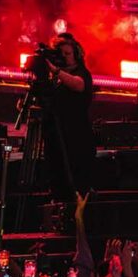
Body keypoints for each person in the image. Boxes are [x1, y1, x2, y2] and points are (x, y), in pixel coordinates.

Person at [42, 33, 95, 203]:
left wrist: (57, 71)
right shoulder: (55, 79)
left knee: (77, 182)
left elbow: (78, 84)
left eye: (68, 53)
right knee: (57, 180)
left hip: (76, 139)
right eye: (61, 54)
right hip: (56, 138)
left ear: (76, 54)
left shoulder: (81, 73)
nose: (64, 57)